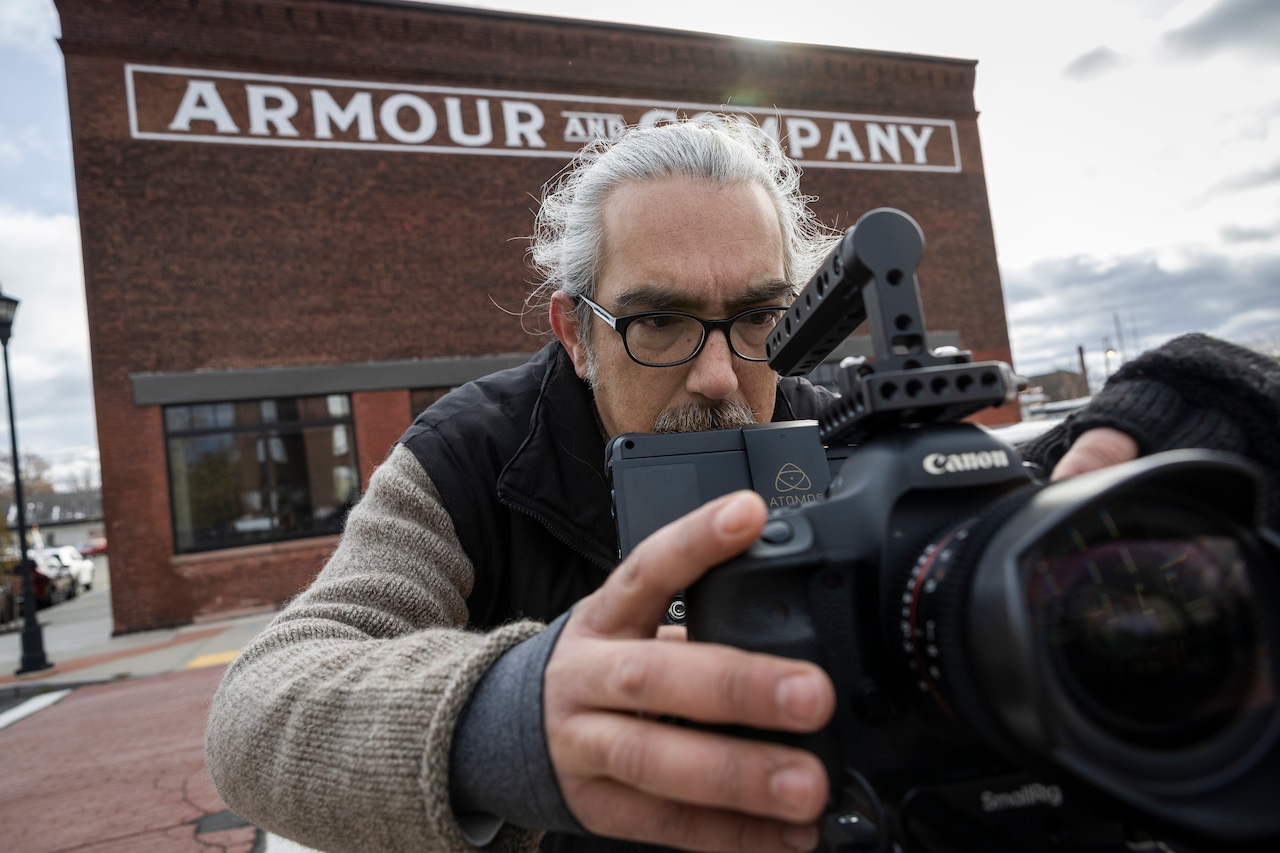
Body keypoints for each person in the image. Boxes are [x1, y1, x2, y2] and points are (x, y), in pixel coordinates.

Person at [205, 116, 1280, 853]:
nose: (722, 377)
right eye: (661, 319)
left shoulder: (845, 428)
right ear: (575, 333)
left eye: (760, 320)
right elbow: (258, 710)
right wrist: (517, 720)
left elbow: (1049, 536)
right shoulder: (472, 457)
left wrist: (1207, 399)